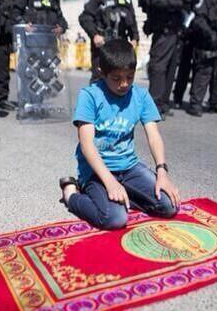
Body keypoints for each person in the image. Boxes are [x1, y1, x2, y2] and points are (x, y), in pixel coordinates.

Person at [59, 39, 180, 230]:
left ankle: (123, 194)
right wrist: (110, 182)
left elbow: (154, 134)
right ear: (102, 72)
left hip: (129, 167)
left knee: (169, 206)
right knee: (115, 219)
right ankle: (72, 195)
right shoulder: (89, 96)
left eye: (130, 77)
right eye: (116, 79)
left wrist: (162, 172)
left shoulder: (140, 96)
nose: (124, 84)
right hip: (96, 172)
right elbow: (87, 145)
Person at [137, 0, 184, 119]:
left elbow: (183, 2)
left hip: (175, 34)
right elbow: (159, 3)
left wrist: (177, 2)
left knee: (171, 70)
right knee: (158, 69)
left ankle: (163, 103)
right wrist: (176, 3)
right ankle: (153, 106)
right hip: (162, 34)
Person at [79, 0, 139, 82]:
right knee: (100, 77)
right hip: (103, 43)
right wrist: (94, 35)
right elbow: (85, 17)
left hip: (122, 44)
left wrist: (135, 37)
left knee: (120, 78)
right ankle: (95, 101)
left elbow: (132, 18)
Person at [172, 0, 208, 109]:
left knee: (199, 72)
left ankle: (195, 101)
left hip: (199, 41)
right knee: (183, 71)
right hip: (186, 40)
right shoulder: (186, 0)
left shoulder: (205, 2)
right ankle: (177, 98)